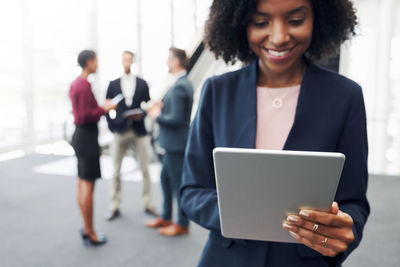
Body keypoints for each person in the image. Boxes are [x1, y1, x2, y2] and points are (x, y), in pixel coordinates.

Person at [180, 0, 370, 266]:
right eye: (260, 22)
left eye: (295, 20)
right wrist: (241, 214)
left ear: (319, 18)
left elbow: (354, 202)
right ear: (239, 24)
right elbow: (192, 191)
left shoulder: (345, 97)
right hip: (227, 258)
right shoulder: (217, 92)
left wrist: (342, 232)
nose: (279, 37)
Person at [69, 50, 116, 246]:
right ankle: (90, 231)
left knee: (82, 182)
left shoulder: (75, 83)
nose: (97, 64)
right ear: (89, 62)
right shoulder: (84, 84)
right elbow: (86, 115)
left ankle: (86, 227)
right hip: (87, 137)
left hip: (80, 136)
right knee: (88, 185)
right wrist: (104, 109)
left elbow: (80, 112)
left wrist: (98, 108)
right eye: (96, 60)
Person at [146, 47, 194, 236]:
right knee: (165, 180)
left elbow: (177, 119)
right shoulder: (179, 83)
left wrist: (157, 115)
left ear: (175, 62)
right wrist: (162, 107)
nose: (166, 62)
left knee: (177, 185)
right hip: (171, 144)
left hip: (176, 145)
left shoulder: (181, 85)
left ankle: (182, 224)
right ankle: (166, 217)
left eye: (168, 59)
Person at [104, 51, 157, 220]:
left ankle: (148, 203)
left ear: (132, 61)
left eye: (129, 59)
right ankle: (114, 205)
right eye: (124, 59)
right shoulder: (112, 84)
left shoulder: (142, 83)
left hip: (138, 130)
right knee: (115, 170)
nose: (127, 62)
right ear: (121, 61)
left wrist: (141, 113)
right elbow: (107, 106)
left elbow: (148, 104)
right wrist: (112, 125)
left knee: (145, 169)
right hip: (120, 130)